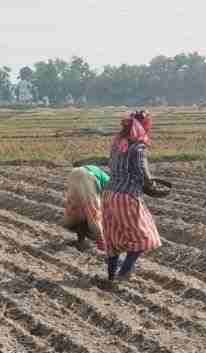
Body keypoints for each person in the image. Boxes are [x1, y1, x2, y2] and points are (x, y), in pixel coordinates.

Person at [100, 110, 162, 286]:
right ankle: (124, 272)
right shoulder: (138, 146)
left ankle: (111, 278)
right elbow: (142, 170)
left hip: (109, 194)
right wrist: (151, 184)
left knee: (113, 238)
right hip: (127, 197)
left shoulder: (117, 144)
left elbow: (111, 165)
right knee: (144, 237)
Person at [62, 164, 109, 252]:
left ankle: (80, 240)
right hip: (86, 176)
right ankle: (102, 242)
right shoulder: (111, 184)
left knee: (78, 210)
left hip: (73, 174)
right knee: (93, 211)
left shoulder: (103, 176)